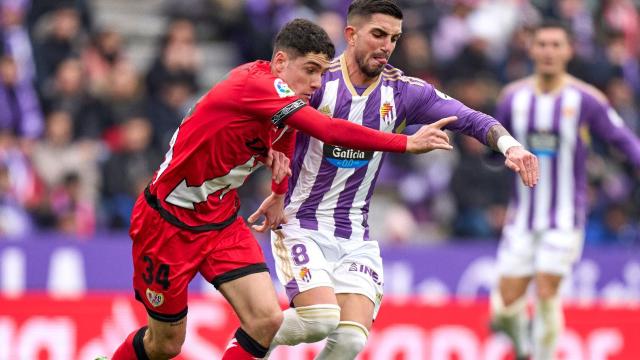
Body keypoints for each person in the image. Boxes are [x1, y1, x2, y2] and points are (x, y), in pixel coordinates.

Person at [109, 18, 455, 360]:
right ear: (280, 62)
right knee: (165, 344)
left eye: (321, 73)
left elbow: (285, 137)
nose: (316, 83)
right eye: (310, 70)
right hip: (167, 224)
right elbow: (329, 130)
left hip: (221, 221)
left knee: (267, 321)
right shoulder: (255, 85)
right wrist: (405, 143)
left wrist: (278, 191)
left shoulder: (283, 101)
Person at [261, 1, 539, 359]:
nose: (386, 45)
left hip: (355, 235)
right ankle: (252, 335)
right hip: (301, 222)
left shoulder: (404, 91)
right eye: (378, 34)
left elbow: (470, 118)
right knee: (319, 320)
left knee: (350, 340)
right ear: (351, 34)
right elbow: (265, 119)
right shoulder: (317, 80)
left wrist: (510, 146)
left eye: (394, 37)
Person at [489, 20, 640, 360]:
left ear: (569, 51)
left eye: (556, 45)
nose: (548, 52)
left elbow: (622, 139)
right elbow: (493, 150)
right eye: (542, 44)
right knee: (505, 309)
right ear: (531, 49)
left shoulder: (586, 100)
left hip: (564, 216)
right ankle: (523, 344)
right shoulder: (513, 98)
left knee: (546, 289)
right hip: (522, 217)